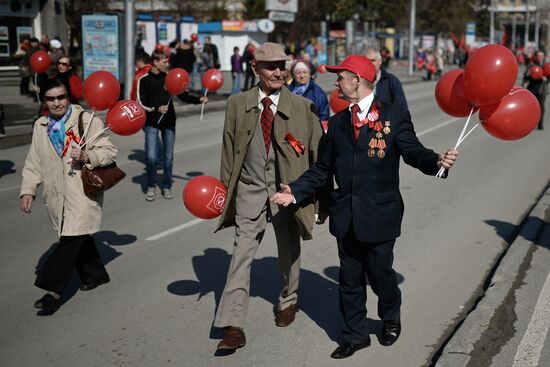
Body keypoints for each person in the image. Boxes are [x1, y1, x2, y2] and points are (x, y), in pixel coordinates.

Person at [271, 55, 458, 359]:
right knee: (349, 280)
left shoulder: (394, 115)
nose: (336, 82)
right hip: (346, 216)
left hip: (381, 214)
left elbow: (413, 152)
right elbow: (324, 167)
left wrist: (437, 162)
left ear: (356, 80)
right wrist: (294, 191)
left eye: (340, 76)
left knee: (381, 275)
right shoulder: (339, 121)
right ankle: (355, 335)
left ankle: (390, 316)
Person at [213, 42, 326, 353]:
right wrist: (226, 194)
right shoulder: (237, 103)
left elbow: (320, 156)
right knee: (240, 257)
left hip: (286, 194)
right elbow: (228, 150)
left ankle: (289, 299)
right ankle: (233, 325)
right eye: (270, 66)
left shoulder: (302, 107)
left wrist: (319, 200)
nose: (278, 71)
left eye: (282, 65)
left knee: (289, 249)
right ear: (255, 70)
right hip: (249, 190)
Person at [20, 78, 117, 313]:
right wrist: (28, 190)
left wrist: (87, 156)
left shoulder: (86, 120)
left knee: (70, 239)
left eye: (61, 97)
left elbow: (109, 152)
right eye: (51, 99)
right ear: (44, 100)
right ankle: (95, 275)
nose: (57, 103)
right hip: (56, 195)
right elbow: (34, 162)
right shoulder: (41, 126)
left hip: (81, 193)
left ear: (68, 97)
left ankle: (52, 291)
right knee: (77, 236)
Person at [137, 51, 207, 201]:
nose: (168, 64)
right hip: (151, 123)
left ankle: (167, 185)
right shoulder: (144, 80)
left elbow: (183, 95)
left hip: (168, 122)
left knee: (168, 157)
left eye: (168, 62)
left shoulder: (170, 78)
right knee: (150, 157)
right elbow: (141, 103)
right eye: (165, 61)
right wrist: (156, 109)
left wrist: (199, 100)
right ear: (155, 62)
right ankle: (151, 185)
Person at [523, 50, 547, 130]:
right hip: (532, 89)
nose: (540, 57)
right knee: (531, 108)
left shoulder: (546, 65)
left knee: (541, 108)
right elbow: (525, 76)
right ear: (536, 57)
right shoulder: (531, 65)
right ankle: (530, 124)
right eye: (539, 56)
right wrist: (530, 75)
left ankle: (540, 124)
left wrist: (545, 78)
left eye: (542, 56)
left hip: (542, 90)